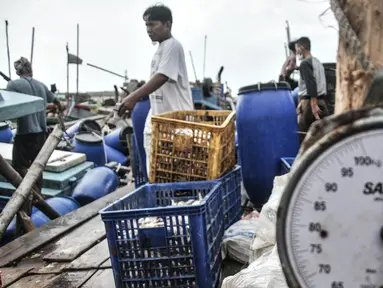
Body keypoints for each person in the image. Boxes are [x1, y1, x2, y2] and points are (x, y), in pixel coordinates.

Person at [118, 4, 194, 175]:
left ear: (167, 25)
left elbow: (162, 77)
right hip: (160, 120)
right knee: (158, 172)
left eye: (152, 24)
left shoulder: (173, 46)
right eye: (146, 25)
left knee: (179, 172)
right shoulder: (160, 50)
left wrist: (133, 98)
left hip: (177, 120)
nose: (148, 29)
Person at [6, 57, 58, 218]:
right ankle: (38, 193)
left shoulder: (13, 85)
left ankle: (31, 194)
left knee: (17, 165)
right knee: (37, 166)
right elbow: (55, 100)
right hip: (41, 133)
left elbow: (7, 104)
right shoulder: (40, 85)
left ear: (18, 71)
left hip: (25, 133)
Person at [295, 37, 329, 143]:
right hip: (322, 102)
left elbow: (311, 83)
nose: (296, 52)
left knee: (305, 138)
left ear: (301, 48)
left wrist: (313, 105)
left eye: (296, 48)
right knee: (323, 136)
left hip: (310, 104)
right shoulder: (318, 63)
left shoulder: (304, 63)